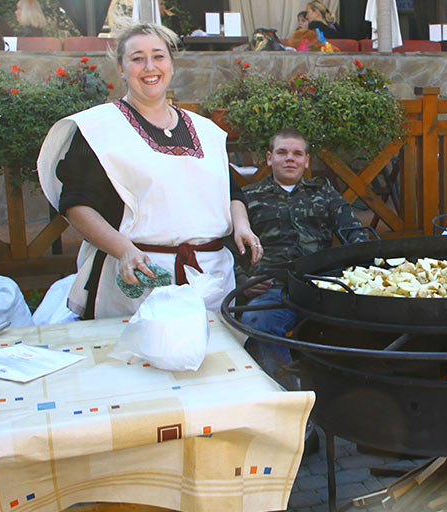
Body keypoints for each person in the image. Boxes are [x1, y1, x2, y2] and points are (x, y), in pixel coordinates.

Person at [37, 22, 262, 320]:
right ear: (121, 68)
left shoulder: (206, 130)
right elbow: (76, 205)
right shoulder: (99, 130)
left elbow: (231, 192)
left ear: (171, 64)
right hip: (137, 280)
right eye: (137, 58)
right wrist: (123, 250)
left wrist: (242, 226)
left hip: (209, 280)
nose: (149, 67)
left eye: (158, 56)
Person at [236, 129, 368, 390]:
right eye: (282, 152)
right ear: (269, 158)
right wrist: (244, 282)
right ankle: (287, 396)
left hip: (323, 288)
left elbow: (355, 234)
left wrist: (358, 271)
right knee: (257, 323)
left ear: (307, 161)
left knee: (365, 324)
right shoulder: (248, 198)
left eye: (297, 153)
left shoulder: (324, 193)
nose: (290, 158)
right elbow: (227, 249)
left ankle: (346, 396)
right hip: (274, 288)